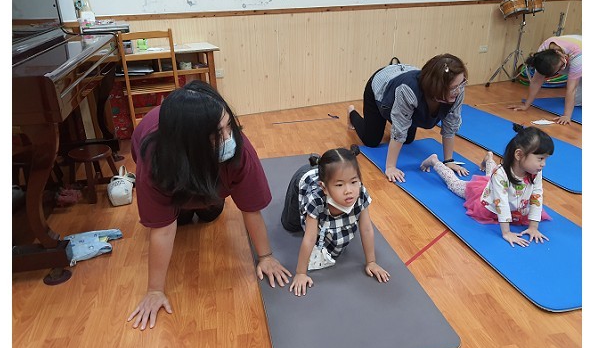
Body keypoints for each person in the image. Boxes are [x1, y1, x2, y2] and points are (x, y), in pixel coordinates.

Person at [127, 80, 292, 330]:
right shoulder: (154, 160)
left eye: (229, 126)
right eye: (217, 134)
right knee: (180, 220)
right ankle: (185, 207)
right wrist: (154, 290)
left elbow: (251, 209)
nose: (228, 138)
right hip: (177, 174)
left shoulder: (239, 150)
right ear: (190, 142)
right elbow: (162, 229)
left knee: (209, 215)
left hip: (208, 181)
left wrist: (266, 256)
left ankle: (205, 201)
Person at [419, 124, 554, 248]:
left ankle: (489, 158)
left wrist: (533, 227)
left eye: (545, 159)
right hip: (487, 198)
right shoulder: (500, 174)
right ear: (519, 154)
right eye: (540, 158)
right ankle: (434, 161)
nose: (543, 164)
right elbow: (501, 203)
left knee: (491, 176)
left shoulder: (535, 172)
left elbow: (537, 196)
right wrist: (506, 233)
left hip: (509, 199)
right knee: (455, 184)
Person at [281, 145, 390, 296]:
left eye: (354, 182)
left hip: (328, 177)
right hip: (303, 177)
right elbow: (309, 238)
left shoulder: (360, 194)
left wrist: (371, 262)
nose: (348, 190)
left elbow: (366, 229)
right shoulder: (316, 199)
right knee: (290, 225)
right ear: (324, 188)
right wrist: (301, 273)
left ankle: (330, 175)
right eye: (340, 185)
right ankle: (316, 168)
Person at [348, 54, 469, 183]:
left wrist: (448, 161)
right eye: (453, 88)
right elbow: (400, 130)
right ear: (437, 86)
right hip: (382, 86)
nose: (458, 90)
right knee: (371, 140)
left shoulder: (457, 91)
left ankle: (395, 115)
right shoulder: (409, 90)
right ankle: (351, 113)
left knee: (408, 139)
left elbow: (450, 125)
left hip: (404, 81)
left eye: (461, 84)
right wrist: (390, 167)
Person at [509, 35, 582, 125]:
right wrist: (526, 104)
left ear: (558, 53)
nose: (563, 69)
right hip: (574, 58)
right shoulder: (544, 52)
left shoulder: (578, 57)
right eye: (559, 69)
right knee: (577, 102)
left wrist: (566, 116)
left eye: (562, 66)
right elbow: (536, 81)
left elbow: (571, 89)